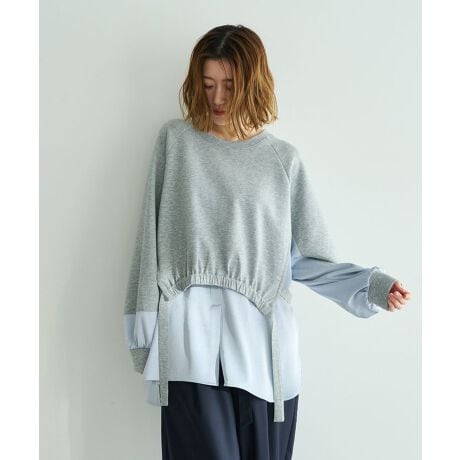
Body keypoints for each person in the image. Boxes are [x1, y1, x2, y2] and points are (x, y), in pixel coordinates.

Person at [123, 24, 412, 460]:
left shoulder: (282, 161)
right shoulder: (176, 143)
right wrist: (141, 328)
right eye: (208, 84)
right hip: (189, 345)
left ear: (252, 84)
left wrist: (370, 285)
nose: (217, 98)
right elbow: (150, 240)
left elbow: (304, 258)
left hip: (263, 353)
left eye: (229, 85)